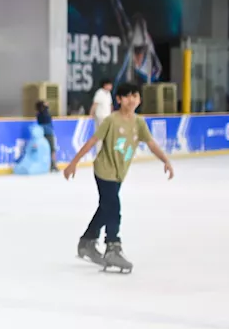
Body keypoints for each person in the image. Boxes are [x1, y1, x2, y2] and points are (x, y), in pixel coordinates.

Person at [64, 82, 174, 273]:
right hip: (104, 170)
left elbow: (151, 143)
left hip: (118, 173)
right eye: (127, 96)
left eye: (135, 96)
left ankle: (87, 241)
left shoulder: (139, 123)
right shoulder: (111, 120)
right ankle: (112, 245)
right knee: (114, 207)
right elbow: (92, 141)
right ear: (119, 99)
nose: (132, 100)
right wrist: (73, 162)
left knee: (106, 207)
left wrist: (165, 160)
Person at [34, 99, 57, 171]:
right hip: (48, 133)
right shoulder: (45, 113)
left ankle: (48, 165)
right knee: (52, 150)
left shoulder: (38, 114)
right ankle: (53, 165)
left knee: (44, 150)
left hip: (42, 133)